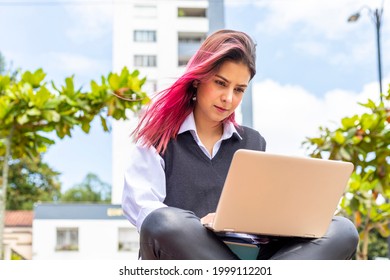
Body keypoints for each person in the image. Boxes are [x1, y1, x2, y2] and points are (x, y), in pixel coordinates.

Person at [122, 29, 359, 260]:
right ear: (198, 80)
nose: (228, 98)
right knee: (162, 221)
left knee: (343, 230)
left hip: (252, 255)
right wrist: (201, 224)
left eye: (239, 90)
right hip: (188, 259)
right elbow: (145, 215)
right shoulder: (157, 140)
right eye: (220, 83)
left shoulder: (253, 143)